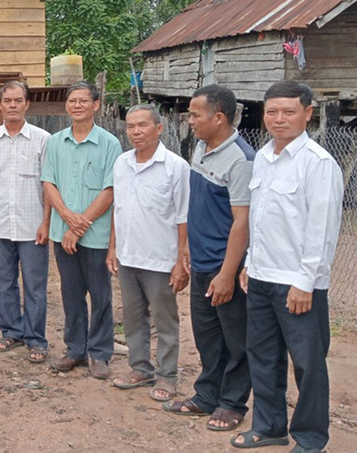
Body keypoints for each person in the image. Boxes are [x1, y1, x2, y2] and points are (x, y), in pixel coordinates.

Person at [231, 81, 344, 451]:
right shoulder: (263, 158)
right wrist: (250, 263)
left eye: (289, 112)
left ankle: (310, 439)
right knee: (263, 356)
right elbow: (261, 218)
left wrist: (305, 282)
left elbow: (322, 229)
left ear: (307, 114)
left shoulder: (318, 164)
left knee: (308, 364)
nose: (279, 119)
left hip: (298, 283)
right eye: (272, 112)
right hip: (261, 276)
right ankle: (269, 426)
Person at [164, 84, 253, 432]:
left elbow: (242, 222)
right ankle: (206, 395)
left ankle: (232, 403)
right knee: (207, 336)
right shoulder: (201, 147)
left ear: (218, 118)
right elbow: (197, 202)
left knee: (236, 339)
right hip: (200, 260)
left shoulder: (241, 160)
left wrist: (228, 274)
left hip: (223, 264)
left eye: (194, 115)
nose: (190, 120)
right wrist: (186, 246)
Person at [107, 104, 190, 402]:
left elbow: (183, 217)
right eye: (130, 126)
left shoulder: (176, 167)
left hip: (160, 259)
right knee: (133, 318)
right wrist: (113, 248)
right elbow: (118, 209)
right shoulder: (122, 163)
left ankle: (167, 375)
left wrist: (181, 261)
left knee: (165, 320)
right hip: (128, 256)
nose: (135, 132)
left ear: (159, 128)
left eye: (142, 125)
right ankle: (140, 368)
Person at [41, 80, 121, 379]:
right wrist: (65, 216)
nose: (77, 105)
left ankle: (99, 353)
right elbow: (48, 182)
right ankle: (75, 349)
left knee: (100, 295)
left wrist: (78, 226)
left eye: (83, 100)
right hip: (62, 232)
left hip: (95, 235)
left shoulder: (109, 144)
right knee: (71, 292)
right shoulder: (55, 142)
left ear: (96, 105)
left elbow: (110, 190)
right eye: (72, 100)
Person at [0, 81, 51, 362]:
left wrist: (46, 222)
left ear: (27, 104)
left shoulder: (43, 139)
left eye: (18, 100)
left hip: (33, 226)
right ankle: (11, 331)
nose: (13, 105)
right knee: (3, 282)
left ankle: (36, 338)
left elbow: (48, 184)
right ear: (0, 105)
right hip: (0, 225)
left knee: (35, 285)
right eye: (7, 101)